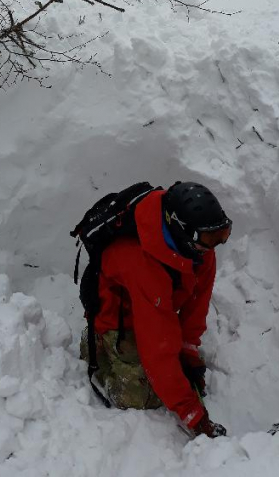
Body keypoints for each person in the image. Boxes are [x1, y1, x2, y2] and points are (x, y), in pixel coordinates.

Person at [80, 181, 232, 438]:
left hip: (155, 305)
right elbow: (158, 349)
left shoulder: (199, 247)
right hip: (118, 317)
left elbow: (198, 301)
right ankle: (97, 345)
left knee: (170, 374)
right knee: (142, 398)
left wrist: (188, 351)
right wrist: (192, 414)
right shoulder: (143, 264)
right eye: (209, 239)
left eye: (221, 235)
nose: (214, 245)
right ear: (183, 232)